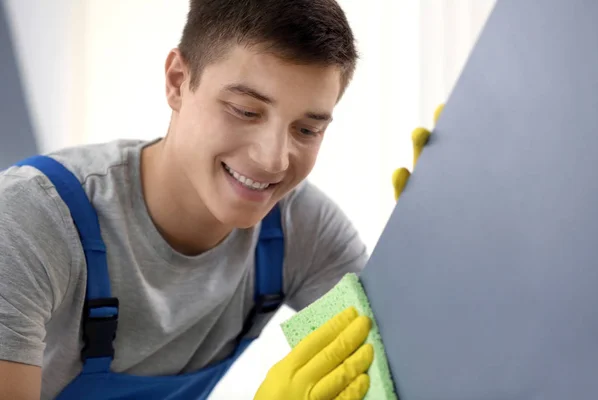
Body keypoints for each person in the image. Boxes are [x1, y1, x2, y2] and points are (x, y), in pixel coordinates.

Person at [0, 0, 389, 399]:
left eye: (306, 130)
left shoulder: (301, 230)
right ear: (177, 80)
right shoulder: (28, 221)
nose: (273, 159)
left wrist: (437, 210)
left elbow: (393, 376)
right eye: (246, 111)